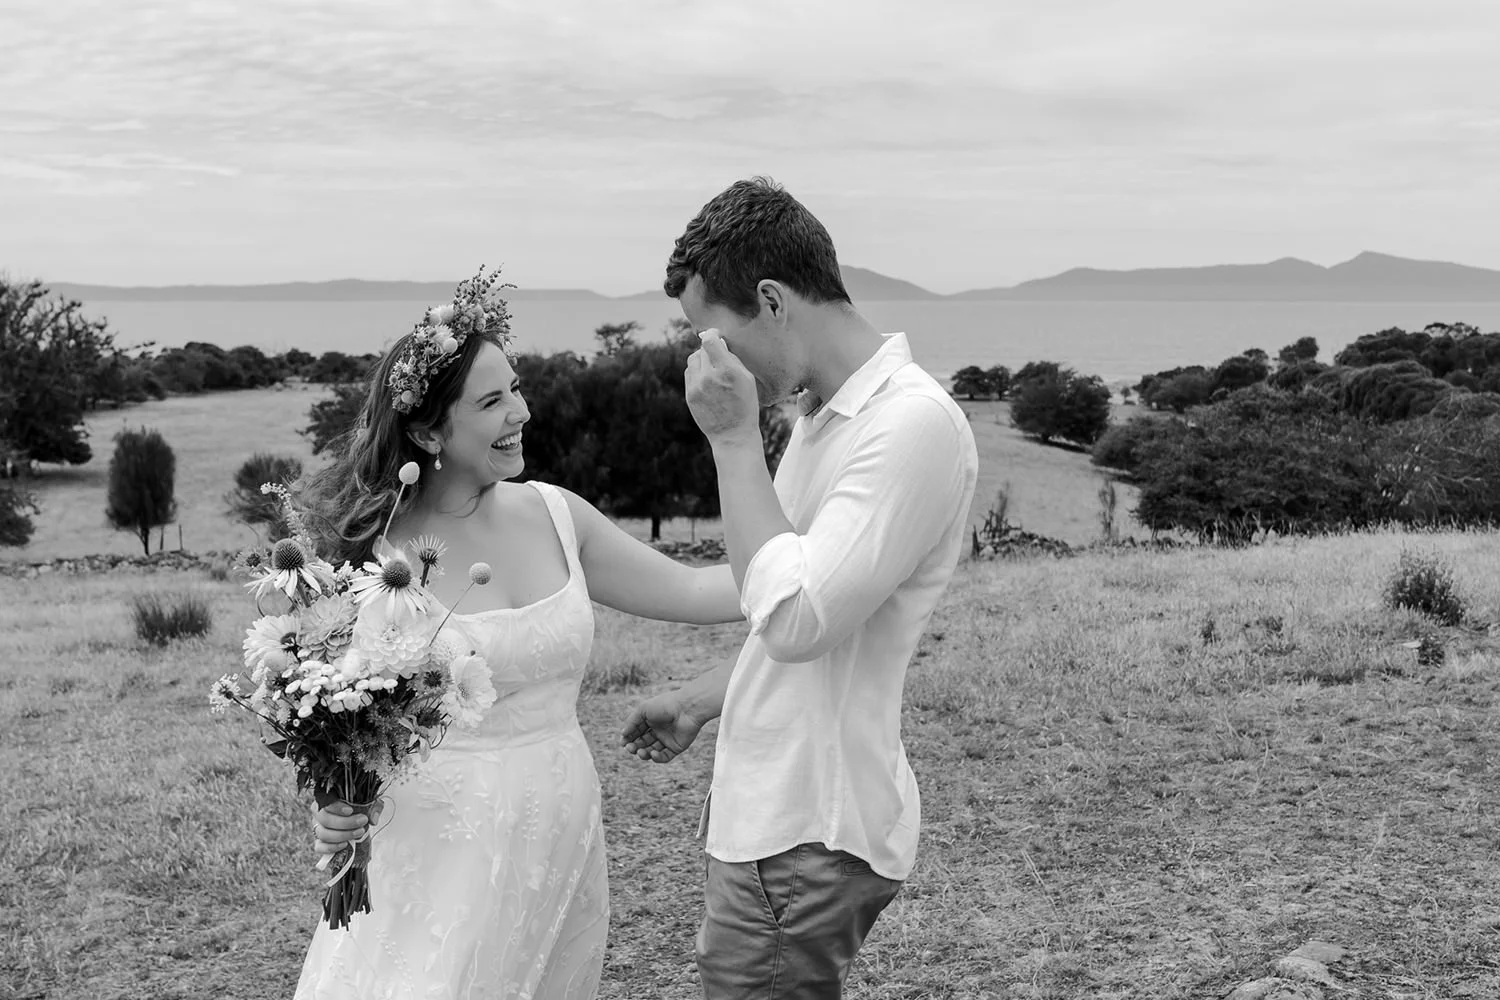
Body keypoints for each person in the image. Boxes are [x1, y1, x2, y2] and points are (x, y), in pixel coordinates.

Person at [296, 269, 744, 1000]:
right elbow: (336, 720)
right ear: (427, 429)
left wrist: (819, 566)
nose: (522, 412)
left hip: (560, 826)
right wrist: (334, 805)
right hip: (438, 847)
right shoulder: (369, 560)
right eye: (493, 400)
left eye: (518, 388)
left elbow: (699, 589)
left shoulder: (556, 513)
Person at [622, 178, 979, 998]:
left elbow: (795, 619)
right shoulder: (825, 418)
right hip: (777, 814)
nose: (705, 362)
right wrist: (706, 698)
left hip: (809, 826)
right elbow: (770, 583)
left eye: (710, 338)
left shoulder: (909, 425)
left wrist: (733, 442)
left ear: (774, 300)